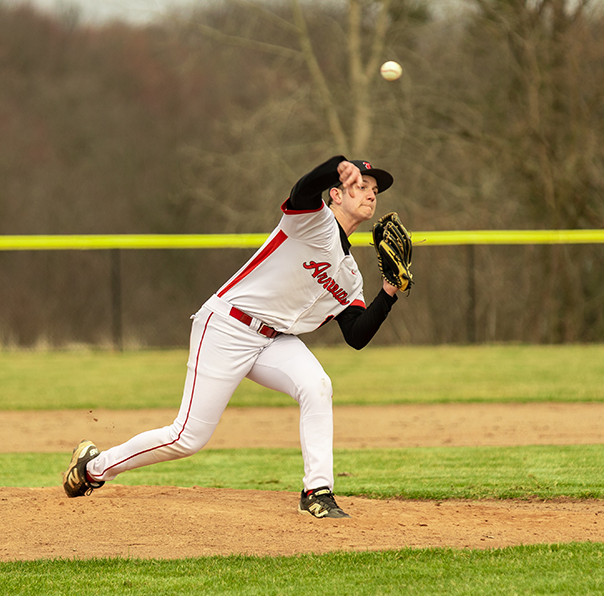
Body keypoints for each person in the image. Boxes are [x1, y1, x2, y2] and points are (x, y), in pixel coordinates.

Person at [63, 156, 403, 519]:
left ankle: (317, 492)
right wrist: (337, 164)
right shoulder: (312, 219)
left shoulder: (350, 275)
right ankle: (94, 468)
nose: (370, 194)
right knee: (187, 438)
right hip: (227, 326)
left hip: (274, 340)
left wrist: (389, 293)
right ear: (336, 193)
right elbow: (301, 190)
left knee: (317, 385)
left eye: (374, 190)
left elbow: (356, 334)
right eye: (361, 185)